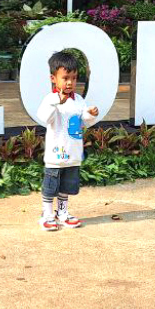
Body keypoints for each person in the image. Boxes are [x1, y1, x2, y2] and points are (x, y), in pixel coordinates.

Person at [35, 51, 99, 231]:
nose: (70, 82)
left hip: (73, 153)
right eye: (65, 78)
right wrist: (57, 101)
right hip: (56, 155)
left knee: (66, 186)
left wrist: (90, 114)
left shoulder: (78, 100)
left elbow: (83, 121)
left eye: (73, 78)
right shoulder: (50, 100)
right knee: (50, 186)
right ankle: (47, 214)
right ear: (53, 78)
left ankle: (62, 213)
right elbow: (44, 117)